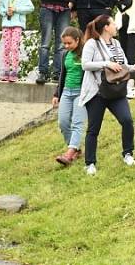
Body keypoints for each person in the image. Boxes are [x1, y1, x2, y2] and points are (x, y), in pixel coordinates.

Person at [80, 15, 135, 176]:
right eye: (113, 24)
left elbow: (120, 65)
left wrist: (132, 68)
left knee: (127, 120)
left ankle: (128, 153)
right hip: (97, 92)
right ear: (106, 27)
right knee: (94, 129)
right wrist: (105, 63)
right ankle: (90, 163)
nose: (116, 26)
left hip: (116, 91)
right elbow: (85, 64)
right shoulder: (92, 44)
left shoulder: (116, 43)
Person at [52, 26, 87, 166]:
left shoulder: (85, 53)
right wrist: (57, 94)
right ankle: (75, 148)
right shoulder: (65, 55)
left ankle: (70, 153)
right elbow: (62, 75)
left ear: (77, 40)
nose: (66, 46)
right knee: (63, 122)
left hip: (81, 92)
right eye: (64, 43)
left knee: (77, 123)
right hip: (66, 91)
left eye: (69, 43)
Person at [0, 0, 35, 82]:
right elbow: (0, 8)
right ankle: (6, 71)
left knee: (14, 47)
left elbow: (30, 8)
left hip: (17, 24)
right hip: (6, 24)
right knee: (6, 48)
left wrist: (16, 10)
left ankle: (14, 71)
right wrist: (5, 12)